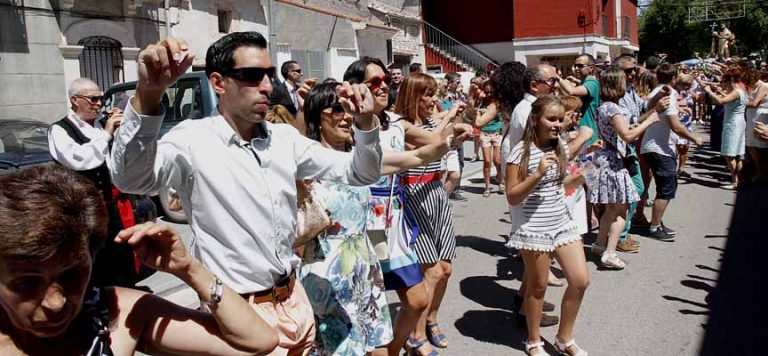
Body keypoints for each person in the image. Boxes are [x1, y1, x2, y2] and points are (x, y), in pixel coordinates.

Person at [110, 32, 383, 355]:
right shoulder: (192, 141)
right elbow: (132, 178)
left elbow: (360, 172)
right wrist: (148, 95)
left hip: (295, 302)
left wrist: (365, 123)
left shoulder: (284, 140)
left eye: (268, 74)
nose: (267, 86)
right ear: (218, 82)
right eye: (252, 76)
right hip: (238, 314)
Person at [0, 165, 278, 355]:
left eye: (73, 274)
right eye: (27, 283)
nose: (56, 302)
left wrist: (190, 270)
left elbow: (257, 342)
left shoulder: (114, 314)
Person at [300, 80, 470, 355]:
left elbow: (414, 156)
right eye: (336, 109)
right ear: (317, 115)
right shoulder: (304, 163)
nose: (345, 117)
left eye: (348, 110)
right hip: (325, 277)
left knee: (378, 350)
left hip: (364, 271)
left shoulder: (360, 160)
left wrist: (450, 141)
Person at [505, 95, 590, 356]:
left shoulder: (560, 146)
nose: (557, 124)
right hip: (534, 228)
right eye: (551, 119)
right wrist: (537, 174)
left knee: (580, 280)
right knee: (538, 286)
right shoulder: (520, 152)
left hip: (562, 222)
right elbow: (513, 196)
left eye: (560, 119)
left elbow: (560, 184)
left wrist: (582, 175)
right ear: (535, 120)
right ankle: (534, 341)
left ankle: (565, 338)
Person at [48, 77, 139, 288]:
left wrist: (123, 130)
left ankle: (124, 295)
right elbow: (80, 159)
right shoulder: (60, 130)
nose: (98, 104)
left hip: (111, 205)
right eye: (93, 99)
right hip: (83, 209)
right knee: (92, 259)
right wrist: (107, 133)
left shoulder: (99, 126)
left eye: (100, 99)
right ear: (75, 100)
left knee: (121, 253)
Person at [393, 73, 460, 356]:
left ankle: (431, 319)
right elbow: (433, 141)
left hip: (435, 193)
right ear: (412, 96)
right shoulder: (400, 126)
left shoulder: (433, 120)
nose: (433, 100)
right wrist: (451, 118)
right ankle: (415, 335)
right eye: (428, 95)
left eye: (434, 94)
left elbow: (443, 134)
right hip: (412, 197)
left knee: (445, 269)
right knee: (429, 271)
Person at [590, 68, 661, 269]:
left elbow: (623, 131)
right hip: (614, 161)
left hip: (606, 158)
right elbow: (627, 136)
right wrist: (649, 120)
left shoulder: (603, 107)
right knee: (622, 209)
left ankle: (599, 244)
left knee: (611, 208)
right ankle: (610, 253)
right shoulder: (613, 108)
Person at [641, 64, 703, 241]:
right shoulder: (668, 94)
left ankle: (657, 222)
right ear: (674, 78)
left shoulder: (658, 91)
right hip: (658, 148)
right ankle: (654, 227)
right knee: (665, 189)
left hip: (655, 146)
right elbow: (676, 126)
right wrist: (694, 138)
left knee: (666, 187)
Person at [703, 66, 747, 189]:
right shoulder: (740, 90)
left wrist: (709, 91)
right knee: (738, 153)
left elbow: (721, 102)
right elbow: (728, 98)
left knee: (730, 154)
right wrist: (720, 91)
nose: (724, 83)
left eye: (725, 80)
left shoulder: (737, 91)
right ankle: (738, 180)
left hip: (733, 123)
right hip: (737, 122)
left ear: (731, 80)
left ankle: (735, 181)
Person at [557, 54, 601, 146]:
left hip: (589, 133)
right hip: (582, 132)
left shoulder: (592, 83)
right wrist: (576, 80)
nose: (576, 68)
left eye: (580, 66)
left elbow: (572, 91)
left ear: (591, 68)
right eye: (575, 66)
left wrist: (557, 77)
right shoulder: (586, 82)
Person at [474, 80, 505, 197]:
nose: (488, 94)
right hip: (485, 133)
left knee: (497, 161)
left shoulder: (497, 102)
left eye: (491, 92)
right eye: (486, 92)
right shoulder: (481, 102)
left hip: (497, 133)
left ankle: (501, 181)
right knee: (487, 161)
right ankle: (487, 186)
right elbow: (473, 113)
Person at [745, 68, 768, 181]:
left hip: (759, 116)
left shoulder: (763, 86)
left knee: (760, 145)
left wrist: (740, 103)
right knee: (751, 144)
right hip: (751, 116)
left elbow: (754, 103)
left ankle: (762, 172)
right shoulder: (754, 86)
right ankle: (759, 170)